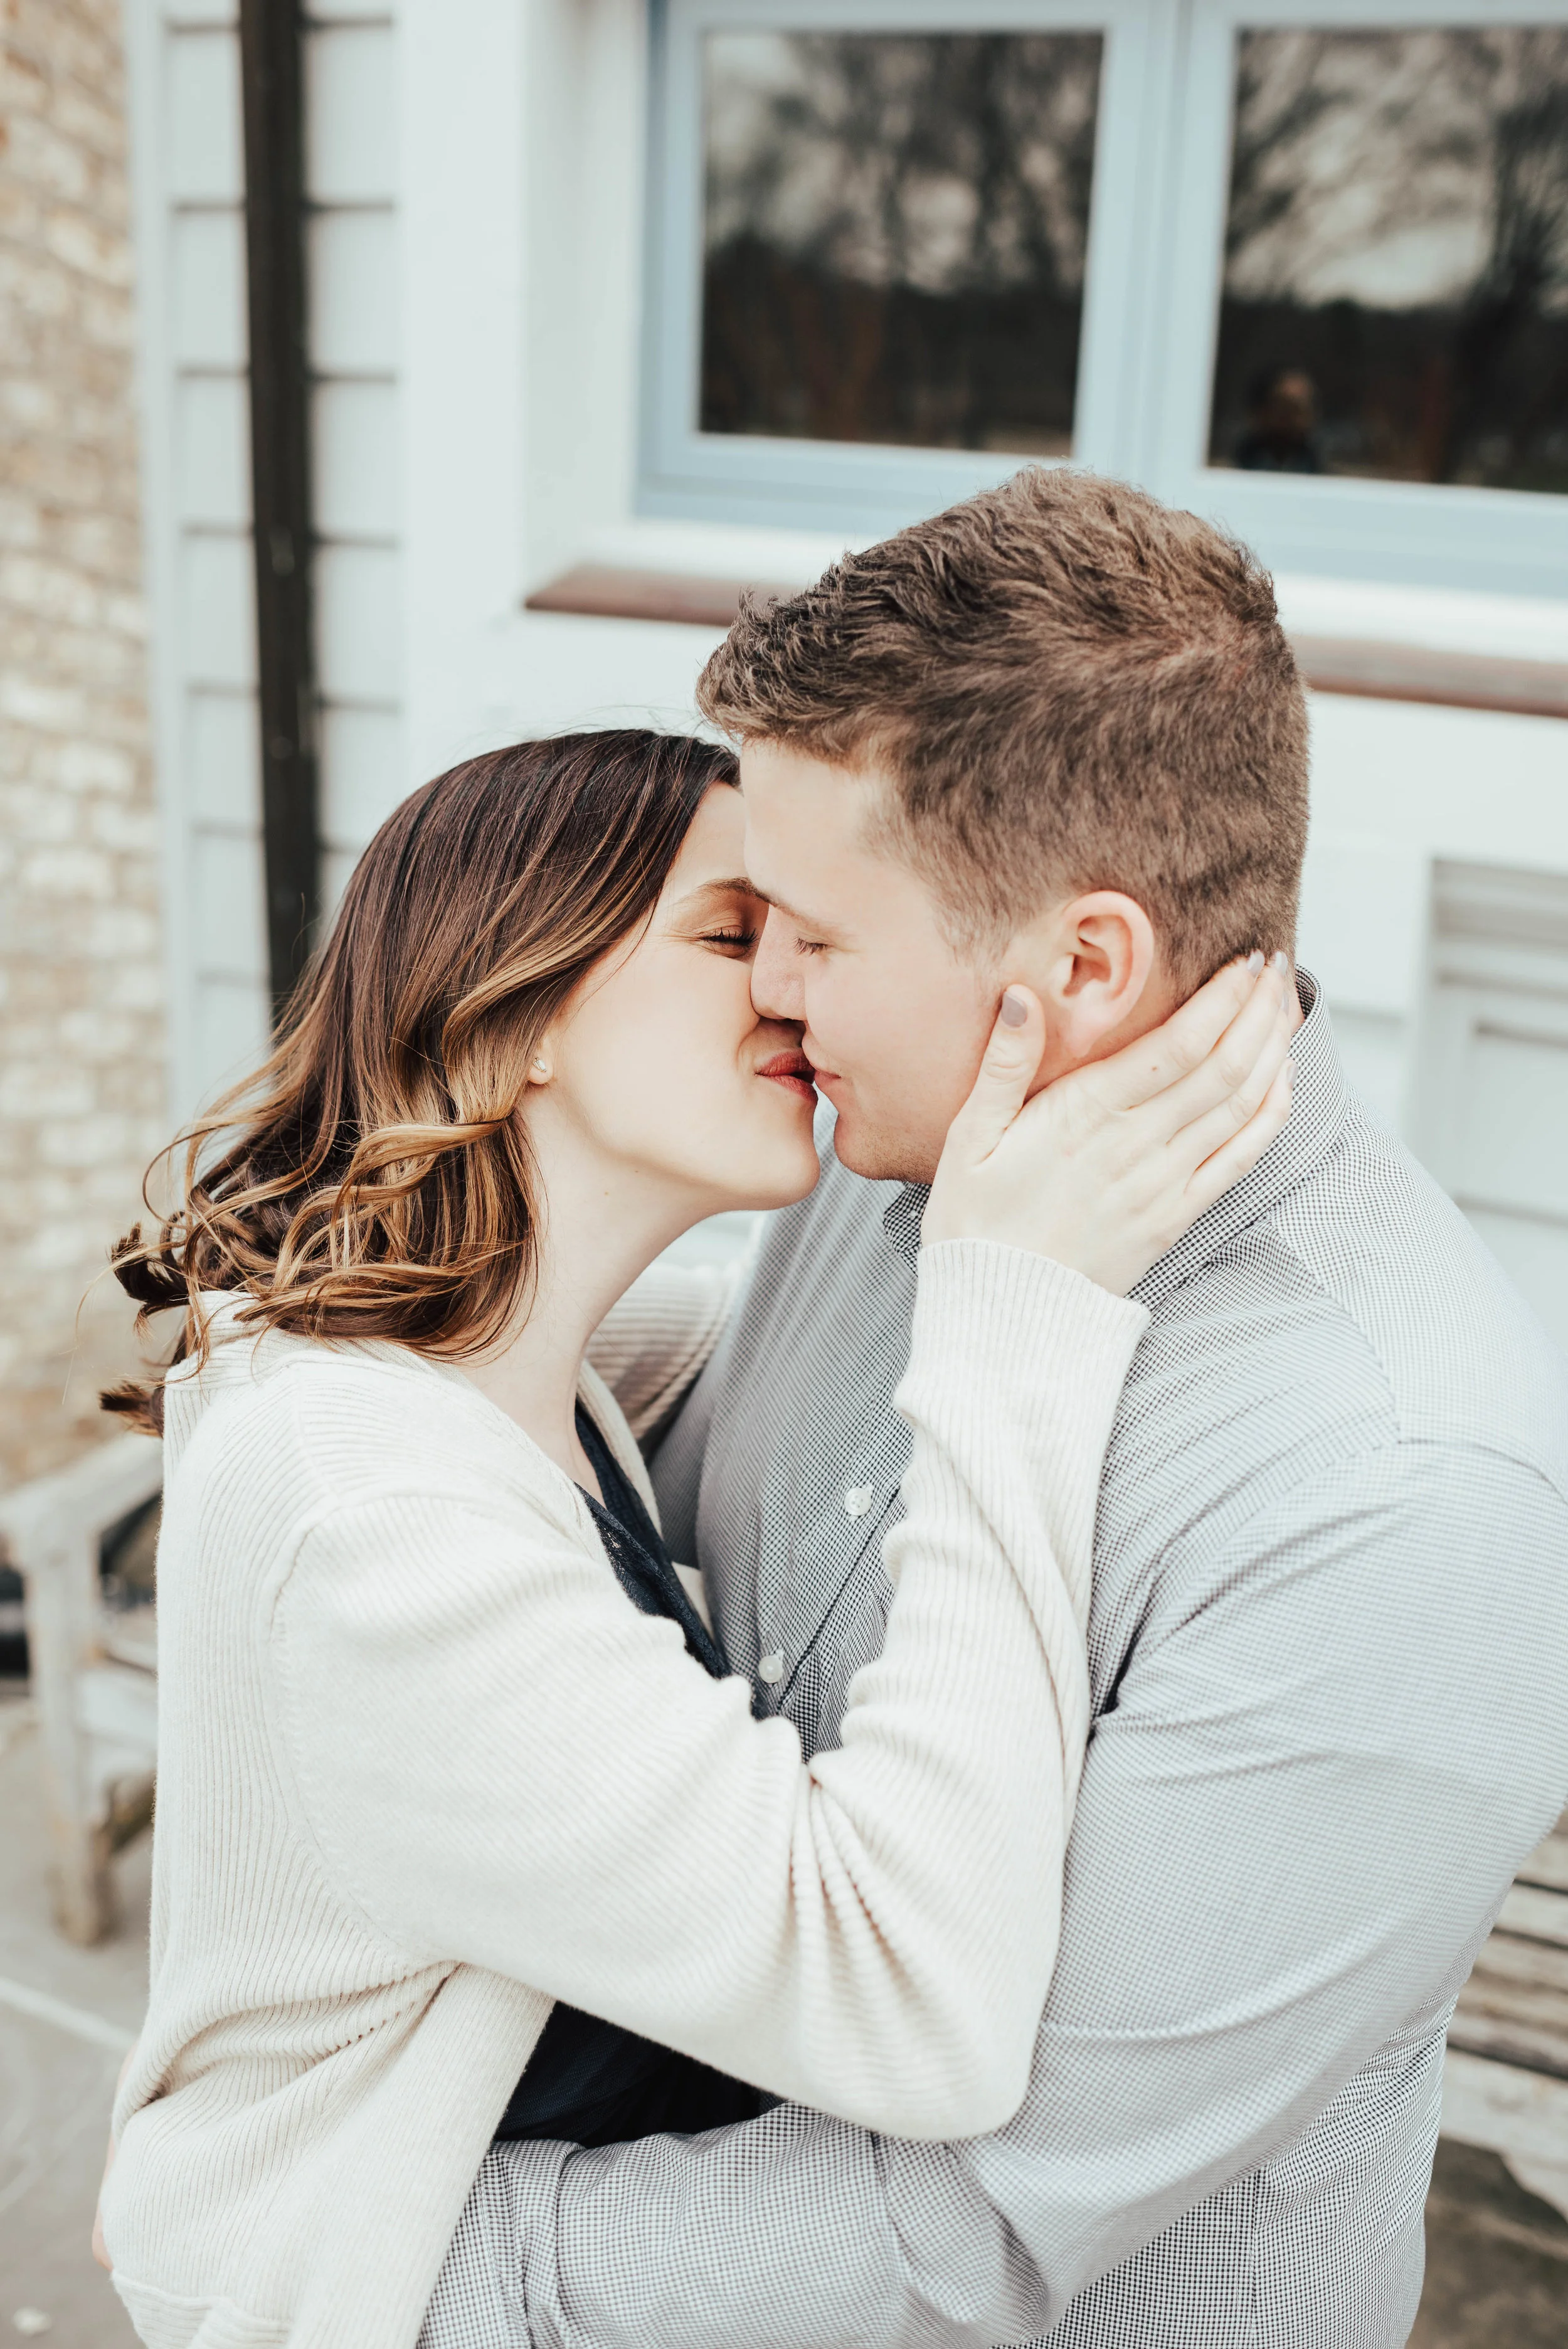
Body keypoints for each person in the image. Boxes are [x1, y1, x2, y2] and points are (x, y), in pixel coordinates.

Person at [423, 472, 1568, 2349]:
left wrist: (366, 2250)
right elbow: (723, 1483)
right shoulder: (914, 1151)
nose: (764, 997)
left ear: (1081, 967)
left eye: (805, 930)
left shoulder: (1401, 1500)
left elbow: (977, 2232)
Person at [93, 727, 1292, 2349]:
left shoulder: (485, 1353)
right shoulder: (378, 1517)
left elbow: (765, 1354)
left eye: (806, 940)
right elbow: (916, 2013)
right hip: (365, 2289)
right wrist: (1016, 1315)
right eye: (732, 937)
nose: (791, 994)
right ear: (509, 1010)